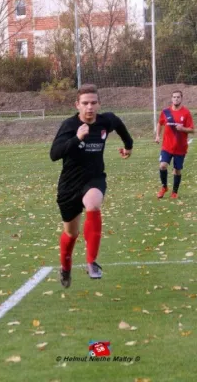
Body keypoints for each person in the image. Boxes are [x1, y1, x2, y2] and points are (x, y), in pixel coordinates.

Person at [50, 84, 133, 288]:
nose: (90, 107)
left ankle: (91, 262)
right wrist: (77, 138)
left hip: (94, 178)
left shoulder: (106, 121)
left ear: (99, 104)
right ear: (77, 105)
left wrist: (128, 146)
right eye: (85, 103)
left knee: (93, 204)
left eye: (93, 103)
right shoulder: (69, 125)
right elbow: (54, 154)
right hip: (69, 184)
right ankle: (66, 267)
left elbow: (120, 126)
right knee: (71, 233)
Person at [155, 90, 195, 199]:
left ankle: (174, 192)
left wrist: (183, 129)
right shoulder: (165, 112)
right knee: (162, 165)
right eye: (174, 97)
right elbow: (160, 123)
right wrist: (157, 135)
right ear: (171, 98)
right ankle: (164, 187)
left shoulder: (186, 113)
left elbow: (192, 130)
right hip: (167, 146)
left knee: (177, 170)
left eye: (178, 97)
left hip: (180, 147)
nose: (176, 99)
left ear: (181, 99)